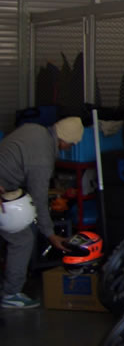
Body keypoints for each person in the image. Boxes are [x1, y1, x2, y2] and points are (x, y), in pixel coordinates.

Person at [0, 116, 81, 308]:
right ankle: (11, 294)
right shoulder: (43, 158)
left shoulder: (33, 128)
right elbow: (39, 200)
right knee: (23, 239)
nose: (68, 149)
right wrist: (51, 234)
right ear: (64, 141)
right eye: (70, 145)